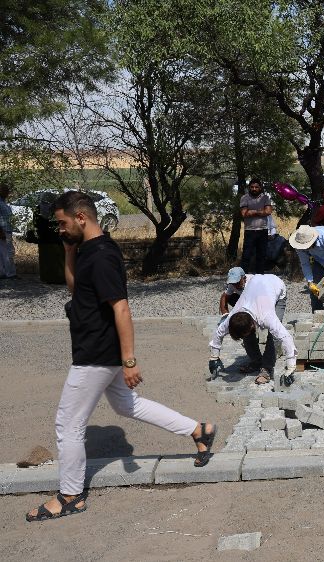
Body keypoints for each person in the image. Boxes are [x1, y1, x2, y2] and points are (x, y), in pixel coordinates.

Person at [26, 191, 216, 522]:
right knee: (128, 405)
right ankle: (199, 430)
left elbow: (122, 308)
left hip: (96, 353)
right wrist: (69, 252)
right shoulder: (88, 250)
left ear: (81, 218)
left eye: (62, 223)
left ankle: (70, 495)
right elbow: (75, 290)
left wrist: (129, 360)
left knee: (68, 424)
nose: (59, 229)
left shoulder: (101, 256)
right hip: (97, 348)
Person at [209, 273, 295, 385]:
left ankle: (267, 369)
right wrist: (214, 357)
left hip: (277, 287)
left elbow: (286, 337)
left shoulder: (267, 317)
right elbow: (219, 332)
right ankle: (257, 362)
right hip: (257, 287)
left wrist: (290, 367)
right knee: (247, 335)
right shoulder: (233, 316)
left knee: (273, 336)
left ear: (252, 325)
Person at [240, 178, 273, 274]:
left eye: (256, 187)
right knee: (246, 255)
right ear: (249, 187)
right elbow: (244, 214)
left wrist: (252, 211)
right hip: (250, 230)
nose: (254, 189)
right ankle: (243, 277)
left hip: (263, 230)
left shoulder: (265, 198)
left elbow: (268, 211)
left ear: (260, 188)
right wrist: (259, 211)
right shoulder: (244, 198)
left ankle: (260, 276)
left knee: (261, 255)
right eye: (252, 187)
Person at [0, 181, 15, 279]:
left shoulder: (3, 202)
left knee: (4, 252)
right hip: (3, 231)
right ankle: (10, 274)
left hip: (7, 230)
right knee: (8, 252)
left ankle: (4, 273)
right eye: (6, 191)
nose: (8, 193)